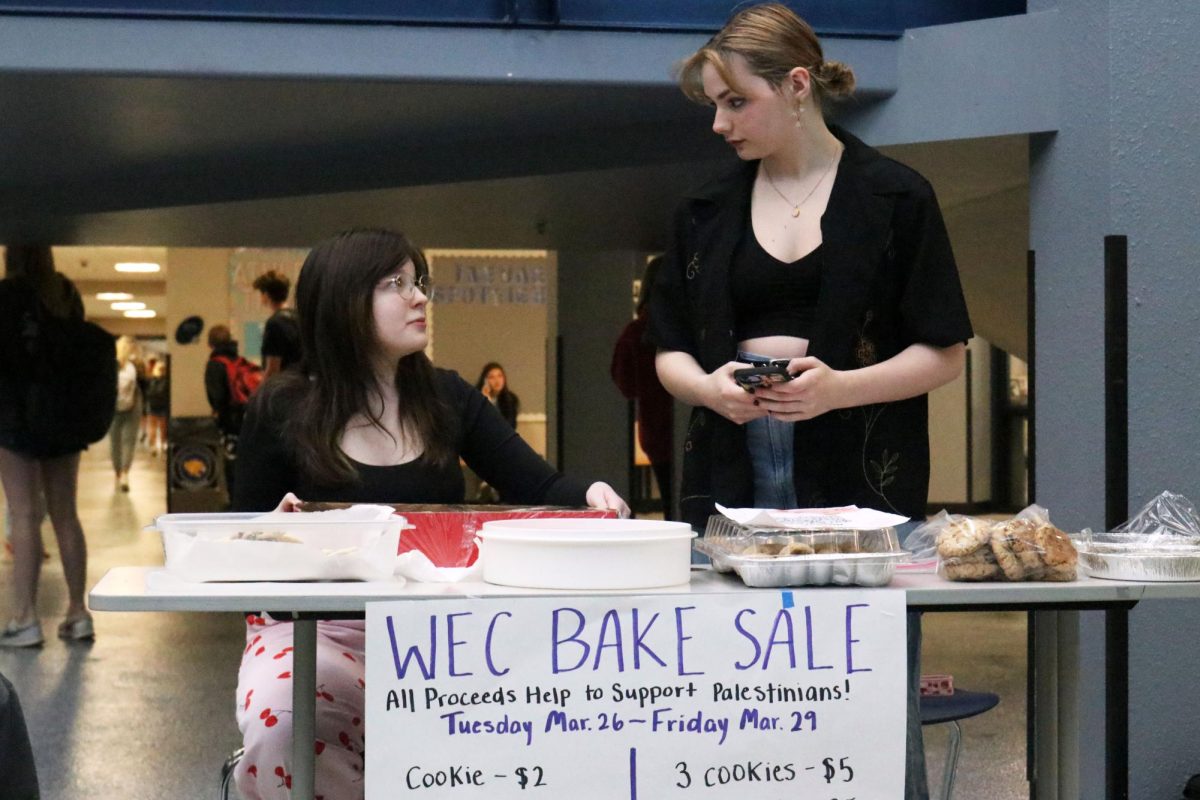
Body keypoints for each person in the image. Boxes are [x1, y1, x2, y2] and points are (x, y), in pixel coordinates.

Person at [647, 6, 973, 799]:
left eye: (735, 102)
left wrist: (840, 391)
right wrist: (709, 390)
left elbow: (946, 352)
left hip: (860, 482)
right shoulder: (705, 208)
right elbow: (667, 350)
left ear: (798, 86)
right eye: (715, 106)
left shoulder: (896, 197)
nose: (721, 124)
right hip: (731, 472)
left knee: (867, 700)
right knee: (733, 700)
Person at [230, 228, 628, 799]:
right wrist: (274, 532)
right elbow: (239, 549)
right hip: (313, 630)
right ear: (343, 299)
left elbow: (539, 486)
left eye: (419, 283)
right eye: (396, 285)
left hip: (439, 628)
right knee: (286, 723)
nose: (419, 297)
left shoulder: (447, 397)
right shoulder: (283, 405)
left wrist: (591, 494)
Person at [0, 245, 96, 647]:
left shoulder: (5, 294)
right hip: (63, 416)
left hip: (15, 415)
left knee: (23, 514)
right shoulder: (65, 292)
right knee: (65, 514)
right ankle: (77, 613)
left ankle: (25, 618)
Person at [611, 256, 675, 519]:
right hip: (679, 425)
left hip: (653, 429)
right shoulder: (683, 327)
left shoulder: (634, 332)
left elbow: (624, 383)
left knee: (671, 502)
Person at [205, 324, 244, 499]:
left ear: (210, 344)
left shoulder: (214, 364)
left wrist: (217, 412)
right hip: (245, 417)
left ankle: (233, 498)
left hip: (229, 420)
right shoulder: (238, 360)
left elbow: (217, 396)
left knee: (231, 461)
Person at [252, 269, 302, 380]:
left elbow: (273, 368)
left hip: (282, 388)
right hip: (300, 383)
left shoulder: (274, 323)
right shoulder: (299, 318)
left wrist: (260, 392)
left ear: (266, 295)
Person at [109, 335, 141, 492]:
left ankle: (119, 472)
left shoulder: (110, 366)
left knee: (115, 441)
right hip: (132, 406)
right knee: (128, 441)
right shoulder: (134, 367)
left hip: (114, 408)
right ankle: (124, 473)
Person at [474, 361, 519, 430]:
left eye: (500, 376)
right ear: (485, 380)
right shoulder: (476, 398)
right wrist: (486, 401)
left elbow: (511, 425)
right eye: (491, 377)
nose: (497, 381)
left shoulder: (511, 399)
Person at [143, 360, 170, 457]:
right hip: (164, 406)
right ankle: (163, 445)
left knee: (152, 427)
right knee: (163, 428)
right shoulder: (167, 380)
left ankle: (153, 446)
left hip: (152, 406)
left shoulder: (151, 380)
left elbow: (147, 393)